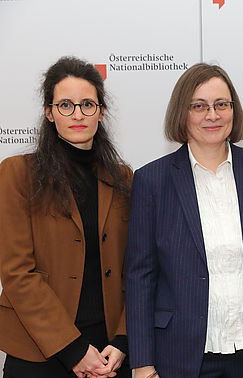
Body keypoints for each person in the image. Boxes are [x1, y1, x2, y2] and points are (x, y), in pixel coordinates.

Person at [125, 63, 243, 378]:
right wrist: (142, 362)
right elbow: (140, 277)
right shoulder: (152, 180)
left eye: (222, 104)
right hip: (181, 356)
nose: (213, 115)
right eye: (199, 106)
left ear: (234, 110)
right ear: (182, 113)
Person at [0, 56, 132, 378]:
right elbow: (17, 272)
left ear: (100, 112)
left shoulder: (124, 178)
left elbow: (139, 267)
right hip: (39, 352)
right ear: (49, 112)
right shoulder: (17, 174)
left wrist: (125, 338)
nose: (77, 114)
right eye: (65, 105)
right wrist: (72, 349)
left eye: (87, 104)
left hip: (109, 355)